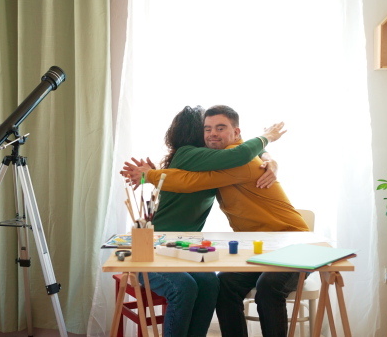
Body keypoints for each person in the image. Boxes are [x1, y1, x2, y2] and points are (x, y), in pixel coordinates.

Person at [124, 105, 308, 337]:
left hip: (292, 242)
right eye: (207, 128)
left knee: (268, 287)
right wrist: (267, 154)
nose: (212, 133)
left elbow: (189, 181)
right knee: (224, 285)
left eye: (220, 128)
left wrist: (149, 174)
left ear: (237, 132)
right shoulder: (216, 159)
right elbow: (188, 178)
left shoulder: (239, 160)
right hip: (256, 247)